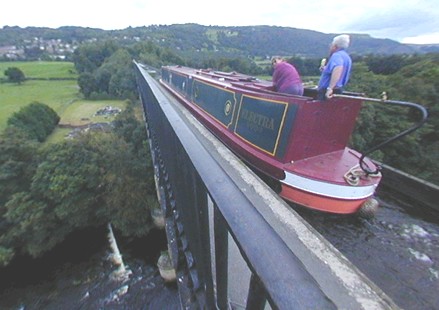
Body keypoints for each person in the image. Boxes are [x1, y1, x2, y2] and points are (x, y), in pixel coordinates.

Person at [317, 34, 352, 100]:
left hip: (328, 91)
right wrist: (326, 69)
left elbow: (338, 68)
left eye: (331, 44)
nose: (330, 46)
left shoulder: (336, 55)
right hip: (338, 89)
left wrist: (330, 88)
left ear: (335, 46)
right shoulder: (347, 57)